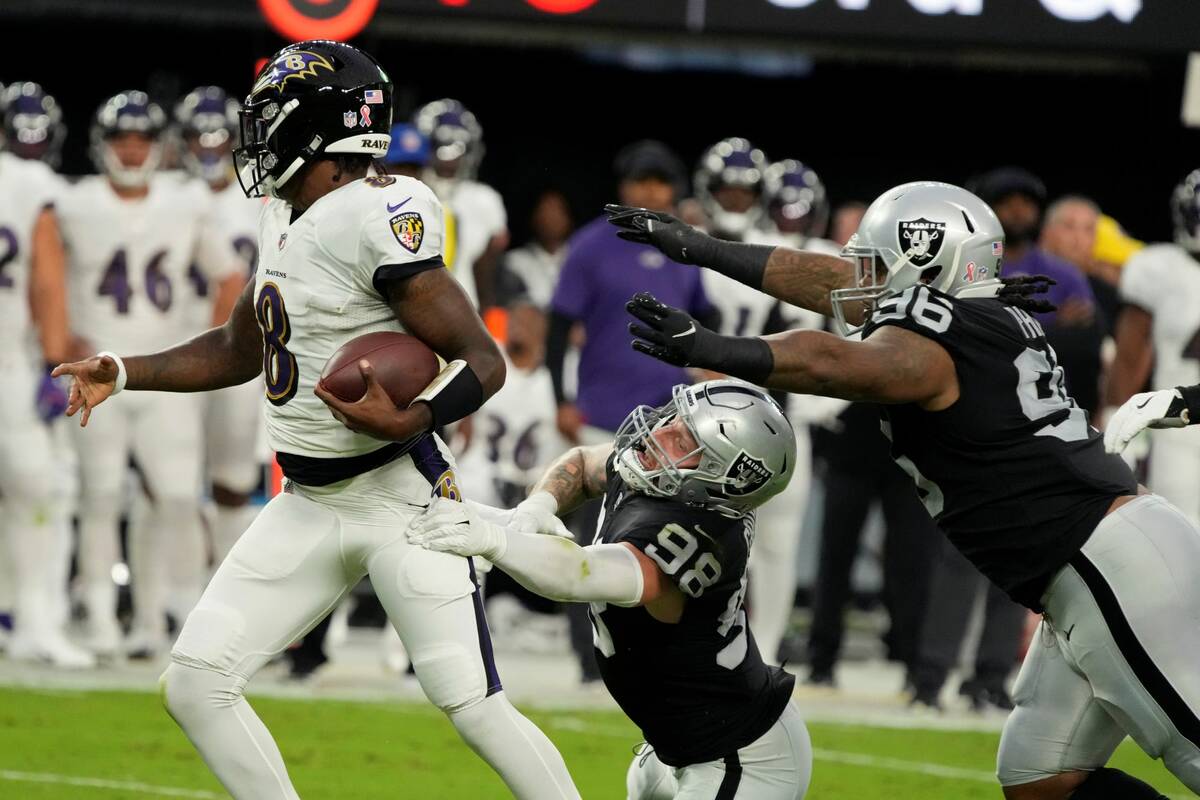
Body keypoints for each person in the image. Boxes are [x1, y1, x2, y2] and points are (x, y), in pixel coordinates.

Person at [53, 41, 578, 800]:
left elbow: (482, 360)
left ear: (319, 128)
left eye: (272, 117)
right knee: (195, 686)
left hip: (403, 503)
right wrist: (127, 371)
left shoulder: (378, 213)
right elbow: (240, 347)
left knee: (475, 708)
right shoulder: (284, 208)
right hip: (307, 502)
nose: (258, 135)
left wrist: (414, 420)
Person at [607, 181, 1199, 798]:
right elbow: (833, 283)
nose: (856, 277)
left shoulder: (936, 337)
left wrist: (714, 348)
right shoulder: (970, 314)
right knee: (1041, 779)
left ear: (926, 264)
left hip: (1105, 564)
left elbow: (844, 364)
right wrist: (703, 248)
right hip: (1085, 564)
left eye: (877, 263)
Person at [409, 379, 812, 799]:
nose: (660, 432)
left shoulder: (700, 535)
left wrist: (495, 538)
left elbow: (577, 574)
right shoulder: (663, 475)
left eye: (683, 439)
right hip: (672, 747)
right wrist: (536, 507)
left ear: (719, 478)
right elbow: (583, 463)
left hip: (740, 757)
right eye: (675, 419)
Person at [56, 90, 238, 658]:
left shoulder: (184, 202)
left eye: (140, 141)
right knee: (101, 494)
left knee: (179, 497)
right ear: (101, 145)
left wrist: (204, 347)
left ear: (158, 148)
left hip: (159, 371)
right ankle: (103, 620)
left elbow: (229, 277)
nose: (131, 151)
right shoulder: (72, 202)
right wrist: (62, 337)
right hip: (95, 369)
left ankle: (158, 616)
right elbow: (45, 274)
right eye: (121, 140)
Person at [547, 138, 716, 682]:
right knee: (592, 541)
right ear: (624, 187)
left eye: (659, 182)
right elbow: (556, 326)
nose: (649, 191)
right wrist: (561, 398)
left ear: (672, 190)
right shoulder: (590, 246)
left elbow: (704, 321)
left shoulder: (684, 248)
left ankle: (648, 655)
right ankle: (589, 657)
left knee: (658, 544)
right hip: (601, 415)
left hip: (670, 428)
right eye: (641, 180)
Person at [0, 85, 91, 668]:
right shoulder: (40, 189)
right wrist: (55, 355)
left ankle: (11, 614)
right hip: (11, 362)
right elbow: (48, 279)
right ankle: (37, 621)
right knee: (45, 492)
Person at [174, 85, 262, 569]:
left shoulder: (261, 198)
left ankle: (230, 585)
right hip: (176, 347)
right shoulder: (169, 195)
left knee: (232, 480)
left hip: (241, 350)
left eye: (216, 138)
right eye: (197, 137)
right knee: (171, 481)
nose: (207, 148)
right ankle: (172, 598)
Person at [1103, 170, 1200, 525]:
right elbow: (1130, 356)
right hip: (1177, 427)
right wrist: (1113, 414)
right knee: (1183, 533)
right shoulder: (1159, 268)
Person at [413, 98, 508, 312]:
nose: (449, 160)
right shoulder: (406, 192)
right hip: (409, 308)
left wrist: (489, 317)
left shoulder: (485, 200)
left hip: (465, 311)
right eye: (439, 146)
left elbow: (488, 276)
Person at [502, 188, 573, 310]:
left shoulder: (581, 259)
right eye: (545, 211)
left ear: (568, 219)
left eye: (557, 211)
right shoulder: (515, 262)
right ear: (534, 218)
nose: (552, 218)